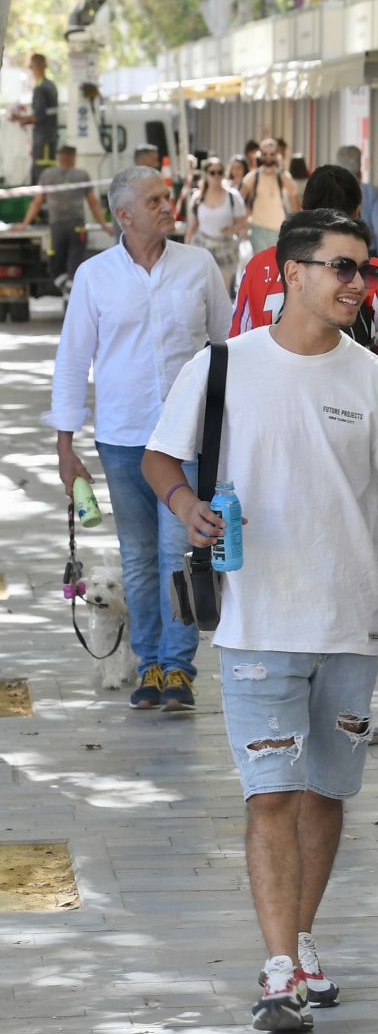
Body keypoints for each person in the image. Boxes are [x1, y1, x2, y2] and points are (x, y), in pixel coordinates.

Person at [141, 208, 378, 1033]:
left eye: (367, 270)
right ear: (290, 273)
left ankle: (303, 937)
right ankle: (279, 967)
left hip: (349, 625)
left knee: (326, 792)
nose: (358, 283)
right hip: (255, 625)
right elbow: (158, 455)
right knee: (271, 796)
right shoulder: (220, 367)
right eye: (342, 267)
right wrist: (185, 504)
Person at [50, 165, 230, 710]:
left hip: (186, 439)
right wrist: (65, 445)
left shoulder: (199, 265)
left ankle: (178, 668)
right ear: (123, 215)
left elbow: (228, 349)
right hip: (123, 437)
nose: (166, 205)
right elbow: (72, 359)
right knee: (138, 558)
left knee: (181, 552)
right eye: (153, 200)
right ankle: (148, 663)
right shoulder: (95, 276)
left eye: (167, 196)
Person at [232, 165, 378, 365]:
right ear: (358, 212)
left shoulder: (259, 266)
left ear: (303, 211)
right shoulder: (375, 274)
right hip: (351, 389)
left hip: (272, 385)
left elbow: (239, 345)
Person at [20, 145, 106, 291]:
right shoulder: (82, 175)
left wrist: (24, 224)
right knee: (76, 259)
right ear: (74, 158)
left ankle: (62, 283)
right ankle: (71, 287)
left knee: (56, 260)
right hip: (77, 226)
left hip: (57, 226)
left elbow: (37, 202)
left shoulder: (47, 175)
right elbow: (93, 203)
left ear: (59, 157)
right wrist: (104, 224)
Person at [182, 156, 247, 289]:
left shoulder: (232, 196)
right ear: (206, 174)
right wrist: (186, 250)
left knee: (223, 289)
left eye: (219, 172)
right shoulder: (197, 198)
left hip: (226, 247)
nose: (216, 176)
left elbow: (243, 222)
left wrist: (233, 229)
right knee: (202, 287)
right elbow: (191, 228)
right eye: (212, 172)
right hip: (202, 245)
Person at [240, 137, 299, 251]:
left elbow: (293, 191)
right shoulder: (253, 176)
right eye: (265, 154)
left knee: (276, 266)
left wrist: (280, 168)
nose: (268, 158)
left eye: (272, 154)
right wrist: (242, 225)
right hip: (258, 229)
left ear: (277, 155)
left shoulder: (283, 175)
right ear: (260, 155)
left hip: (279, 230)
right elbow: (239, 198)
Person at [334, 145, 378, 259]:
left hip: (337, 254)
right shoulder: (370, 192)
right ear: (359, 166)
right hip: (367, 252)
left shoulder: (330, 191)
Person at [10, 52, 60, 166]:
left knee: (42, 173)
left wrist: (19, 118)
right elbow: (46, 112)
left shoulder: (40, 88)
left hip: (43, 140)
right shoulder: (51, 86)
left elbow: (37, 116)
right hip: (51, 137)